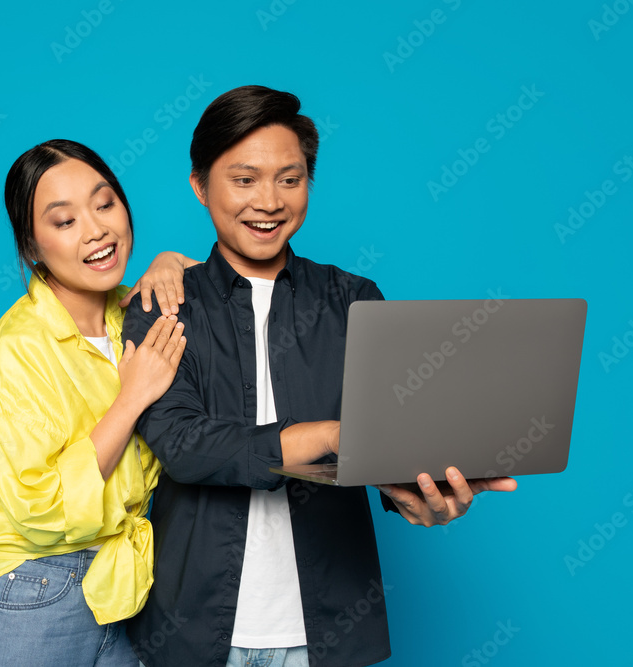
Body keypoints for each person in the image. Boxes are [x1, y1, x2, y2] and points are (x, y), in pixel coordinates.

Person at [122, 86, 518, 667]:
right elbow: (184, 444)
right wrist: (328, 435)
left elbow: (389, 444)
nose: (269, 200)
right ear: (200, 185)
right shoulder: (165, 305)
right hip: (193, 632)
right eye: (244, 178)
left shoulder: (356, 301)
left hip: (330, 631)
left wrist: (421, 497)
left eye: (290, 178)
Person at [0, 139, 198, 666]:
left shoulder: (130, 316)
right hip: (26, 590)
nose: (96, 229)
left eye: (104, 204)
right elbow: (43, 508)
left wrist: (173, 264)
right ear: (32, 247)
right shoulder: (17, 350)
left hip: (119, 587)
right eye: (64, 221)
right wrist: (129, 400)